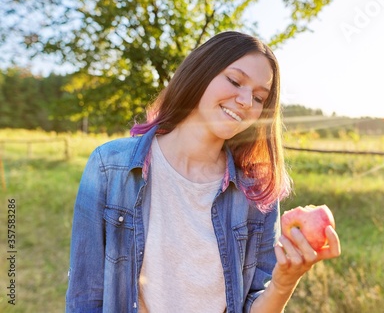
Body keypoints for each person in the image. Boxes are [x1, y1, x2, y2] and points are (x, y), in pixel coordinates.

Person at [65, 31, 341, 313]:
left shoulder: (256, 193)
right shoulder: (109, 166)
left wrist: (283, 284)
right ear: (201, 72)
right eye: (235, 81)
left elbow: (252, 304)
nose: (246, 101)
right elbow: (85, 298)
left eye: (259, 98)